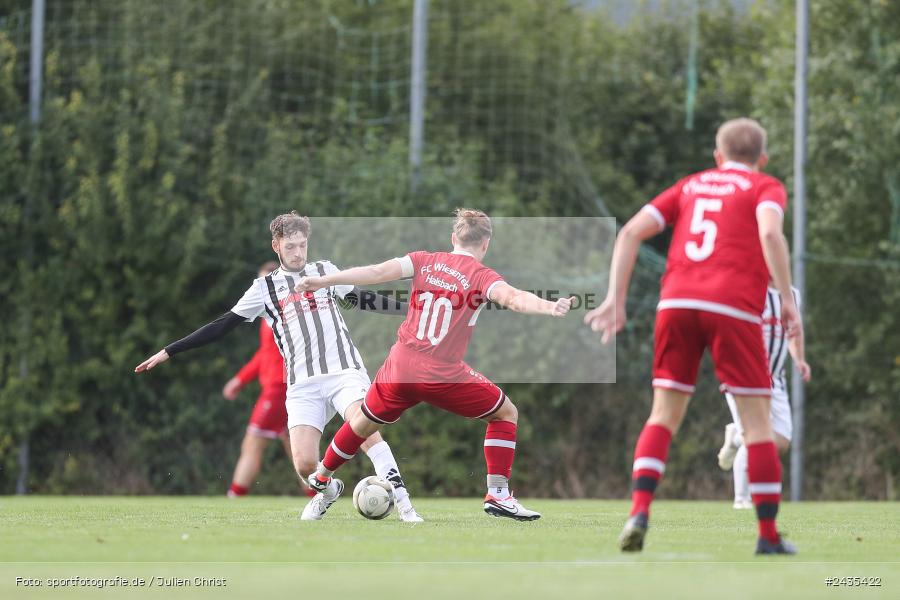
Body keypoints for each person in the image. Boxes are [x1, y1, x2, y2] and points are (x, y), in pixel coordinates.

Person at [584, 118, 803, 554]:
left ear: (717, 157)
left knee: (662, 415)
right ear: (762, 159)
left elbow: (629, 232)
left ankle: (639, 511)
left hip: (676, 304)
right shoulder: (765, 186)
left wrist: (616, 299)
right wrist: (787, 298)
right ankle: (767, 536)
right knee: (759, 428)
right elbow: (769, 232)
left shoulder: (691, 185)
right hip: (733, 307)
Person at [135, 212, 422, 522]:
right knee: (303, 464)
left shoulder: (325, 271)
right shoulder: (264, 289)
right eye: (291, 247)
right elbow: (222, 325)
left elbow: (363, 299)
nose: (298, 253)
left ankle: (406, 506)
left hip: (344, 374)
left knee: (365, 432)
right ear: (276, 246)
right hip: (302, 385)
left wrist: (412, 312)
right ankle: (328, 491)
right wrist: (170, 350)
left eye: (302, 245)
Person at [295, 208, 573, 521]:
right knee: (505, 413)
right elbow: (512, 298)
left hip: (399, 365)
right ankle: (498, 494)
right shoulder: (481, 276)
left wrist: (324, 280)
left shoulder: (422, 260)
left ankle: (321, 475)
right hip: (440, 372)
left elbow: (374, 273)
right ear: (486, 244)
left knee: (363, 421)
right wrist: (549, 307)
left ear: (453, 237)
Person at [717, 283, 811, 508]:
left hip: (776, 379)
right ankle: (742, 499)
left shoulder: (791, 295)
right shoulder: (748, 288)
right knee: (755, 436)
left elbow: (793, 333)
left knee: (781, 440)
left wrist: (799, 359)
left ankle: (735, 438)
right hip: (743, 374)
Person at [221, 261, 309, 498]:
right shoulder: (276, 311)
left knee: (253, 443)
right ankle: (319, 494)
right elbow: (265, 353)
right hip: (286, 385)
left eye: (264, 281)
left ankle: (234, 496)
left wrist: (240, 380)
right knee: (296, 448)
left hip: (279, 387)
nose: (259, 287)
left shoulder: (280, 311)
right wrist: (241, 379)